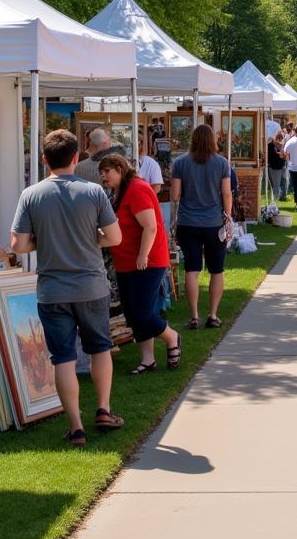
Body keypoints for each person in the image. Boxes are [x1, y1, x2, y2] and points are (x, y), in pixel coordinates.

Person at [10, 129, 125, 447]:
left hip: (53, 289)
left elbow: (18, 244)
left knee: (63, 358)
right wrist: (92, 239)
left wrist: (43, 241)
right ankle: (103, 409)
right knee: (99, 348)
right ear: (77, 158)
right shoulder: (93, 192)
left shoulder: (31, 195)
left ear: (44, 159)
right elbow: (114, 238)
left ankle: (76, 426)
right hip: (90, 285)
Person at [98, 153, 180, 374]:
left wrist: (143, 255)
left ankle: (171, 336)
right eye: (102, 173)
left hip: (147, 262)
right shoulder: (120, 191)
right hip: (126, 262)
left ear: (119, 168)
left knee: (142, 313)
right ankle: (147, 359)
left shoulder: (136, 188)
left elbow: (150, 226)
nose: (104, 176)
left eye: (107, 171)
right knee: (133, 313)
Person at [170, 124, 233, 329]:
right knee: (216, 270)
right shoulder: (222, 163)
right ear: (212, 141)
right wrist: (228, 216)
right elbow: (226, 193)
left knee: (192, 268)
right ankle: (213, 315)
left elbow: (175, 196)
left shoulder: (180, 163)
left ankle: (194, 316)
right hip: (214, 223)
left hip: (188, 222)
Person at [267, 132, 287, 203]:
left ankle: (281, 197)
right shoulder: (271, 145)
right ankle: (275, 199)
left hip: (280, 165)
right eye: (279, 137)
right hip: (275, 166)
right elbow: (273, 155)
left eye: (281, 137)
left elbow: (284, 155)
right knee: (276, 184)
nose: (280, 139)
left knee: (282, 182)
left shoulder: (282, 145)